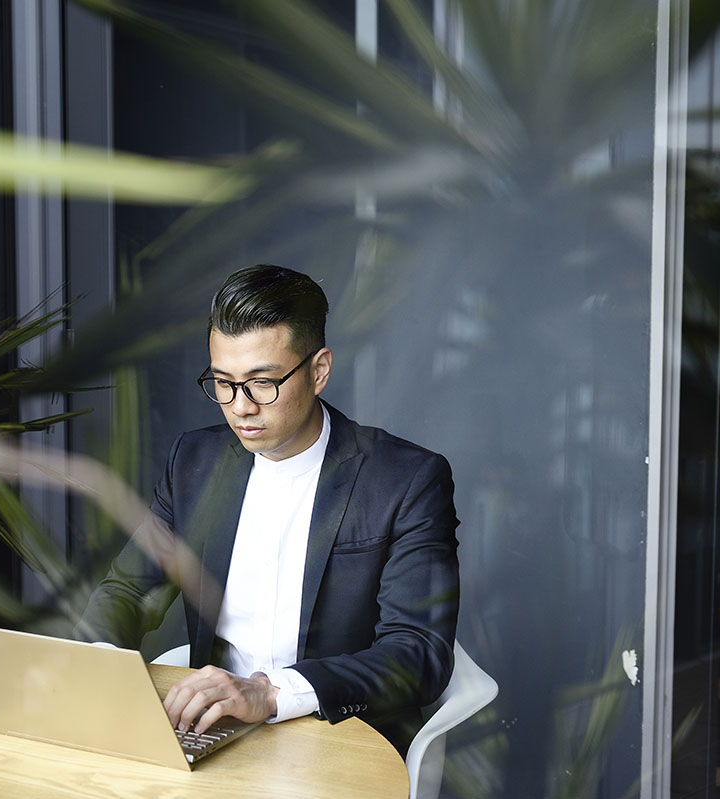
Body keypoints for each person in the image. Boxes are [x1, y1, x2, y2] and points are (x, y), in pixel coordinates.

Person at [78, 264, 460, 756]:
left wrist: (271, 693)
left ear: (318, 370)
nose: (239, 406)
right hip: (209, 731)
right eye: (222, 382)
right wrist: (99, 665)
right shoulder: (193, 461)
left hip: (339, 735)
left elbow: (418, 654)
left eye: (262, 382)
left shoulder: (405, 479)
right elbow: (129, 588)